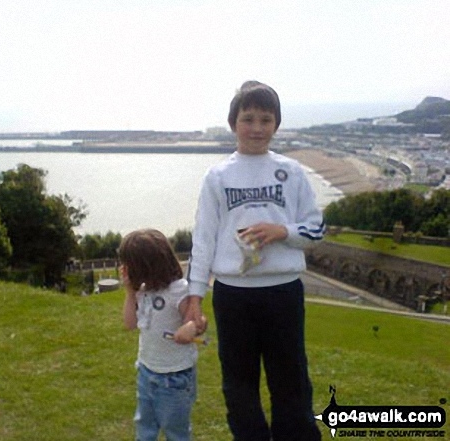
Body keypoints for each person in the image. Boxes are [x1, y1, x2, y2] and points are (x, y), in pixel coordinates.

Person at [186, 81, 324, 441]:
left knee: (291, 380)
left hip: (283, 292)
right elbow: (203, 239)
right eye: (249, 119)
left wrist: (281, 231)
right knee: (238, 383)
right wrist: (195, 296)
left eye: (266, 119)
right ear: (234, 123)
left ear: (276, 124)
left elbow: (315, 228)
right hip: (234, 295)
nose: (258, 128)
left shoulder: (291, 172)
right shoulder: (217, 176)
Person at [120, 228, 206, 441]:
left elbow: (199, 320)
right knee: (144, 428)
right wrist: (130, 292)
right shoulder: (142, 290)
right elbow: (129, 324)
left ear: (145, 265)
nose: (124, 269)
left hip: (174, 378)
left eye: (129, 264)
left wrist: (190, 328)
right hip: (146, 372)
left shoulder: (179, 290)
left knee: (175, 432)